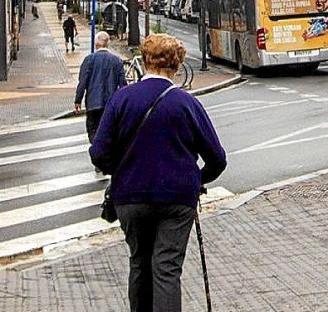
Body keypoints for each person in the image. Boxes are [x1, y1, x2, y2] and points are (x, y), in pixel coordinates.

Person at [89, 34, 227, 312]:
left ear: (145, 60)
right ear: (176, 65)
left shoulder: (122, 99)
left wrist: (122, 171)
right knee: (166, 267)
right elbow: (217, 158)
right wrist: (196, 180)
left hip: (130, 196)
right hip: (177, 198)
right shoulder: (186, 103)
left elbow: (99, 152)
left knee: (139, 261)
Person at [74, 31, 127, 172]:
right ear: (107, 43)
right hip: (111, 105)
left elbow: (82, 82)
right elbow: (123, 85)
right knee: (110, 131)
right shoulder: (116, 61)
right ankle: (107, 155)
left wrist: (78, 100)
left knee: (93, 130)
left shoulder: (89, 60)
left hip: (93, 103)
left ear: (96, 44)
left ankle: (99, 155)